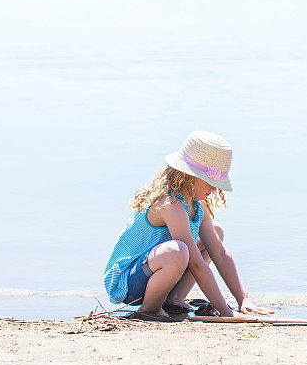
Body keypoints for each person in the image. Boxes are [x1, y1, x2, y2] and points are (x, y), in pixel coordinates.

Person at [103, 130, 273, 322]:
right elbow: (195, 263)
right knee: (178, 251)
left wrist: (242, 299)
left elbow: (220, 254)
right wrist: (225, 312)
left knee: (215, 232)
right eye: (211, 182)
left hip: (156, 271)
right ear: (189, 176)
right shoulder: (170, 204)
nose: (214, 189)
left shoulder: (197, 204)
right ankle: (150, 309)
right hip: (129, 282)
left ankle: (174, 299)